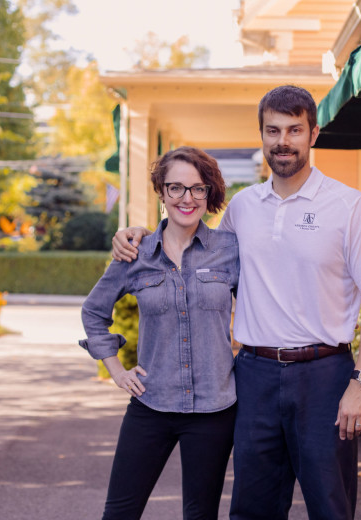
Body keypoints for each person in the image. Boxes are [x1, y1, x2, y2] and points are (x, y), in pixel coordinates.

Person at [112, 85, 361, 520]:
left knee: (330, 506)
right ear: (261, 136)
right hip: (254, 376)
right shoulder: (243, 208)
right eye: (272, 130)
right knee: (252, 508)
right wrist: (140, 234)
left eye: (294, 130)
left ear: (313, 134)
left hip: (325, 376)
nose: (283, 141)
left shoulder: (349, 206)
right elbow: (193, 246)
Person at [79, 146, 240, 520]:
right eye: (176, 188)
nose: (187, 198)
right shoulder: (136, 253)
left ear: (209, 193)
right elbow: (93, 311)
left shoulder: (229, 250)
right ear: (162, 193)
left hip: (214, 409)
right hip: (151, 404)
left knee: (200, 515)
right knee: (120, 512)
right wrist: (117, 370)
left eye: (198, 189)